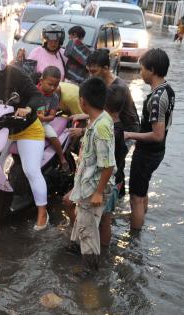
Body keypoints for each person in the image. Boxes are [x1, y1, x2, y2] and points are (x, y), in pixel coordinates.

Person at [0, 39, 49, 230]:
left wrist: (27, 108)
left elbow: (36, 95)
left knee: (31, 171)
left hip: (27, 129)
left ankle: (42, 214)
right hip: (2, 130)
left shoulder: (17, 74)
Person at [67, 77, 115, 272]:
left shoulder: (101, 127)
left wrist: (98, 192)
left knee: (88, 232)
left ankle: (90, 273)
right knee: (81, 222)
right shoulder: (100, 119)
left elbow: (109, 164)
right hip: (87, 183)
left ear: (83, 101)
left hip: (93, 188)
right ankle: (73, 253)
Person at [124, 48, 175, 231]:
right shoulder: (167, 89)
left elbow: (157, 134)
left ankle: (134, 238)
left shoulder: (156, 98)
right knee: (143, 189)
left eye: (142, 68)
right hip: (157, 152)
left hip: (148, 153)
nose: (140, 72)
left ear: (151, 70)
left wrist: (129, 134)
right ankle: (141, 224)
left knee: (136, 197)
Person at [85, 49, 140, 198]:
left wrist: (85, 128)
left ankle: (114, 196)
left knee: (114, 164)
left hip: (127, 130)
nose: (91, 75)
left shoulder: (118, 88)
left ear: (106, 68)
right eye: (89, 71)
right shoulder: (102, 82)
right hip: (113, 125)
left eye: (94, 71)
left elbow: (106, 115)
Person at [37, 66, 69, 171]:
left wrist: (43, 118)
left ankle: (62, 158)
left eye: (55, 85)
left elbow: (52, 116)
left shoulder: (54, 97)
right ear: (41, 81)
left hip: (43, 122)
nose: (52, 88)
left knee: (53, 136)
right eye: (50, 84)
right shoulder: (34, 91)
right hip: (30, 121)